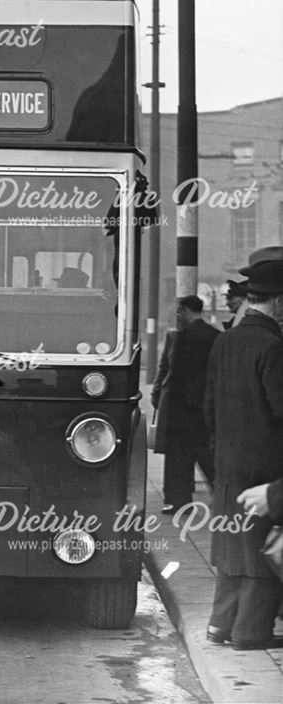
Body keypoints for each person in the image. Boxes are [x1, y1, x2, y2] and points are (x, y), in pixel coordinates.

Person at [204, 259, 283, 650]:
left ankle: (220, 625)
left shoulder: (225, 341)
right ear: (279, 303)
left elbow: (209, 407)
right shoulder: (273, 346)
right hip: (266, 467)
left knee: (232, 544)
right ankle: (251, 631)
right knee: (261, 548)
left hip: (228, 463)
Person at [151, 296, 219, 513]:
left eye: (179, 312)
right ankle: (222, 495)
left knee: (178, 458)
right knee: (205, 455)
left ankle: (178, 501)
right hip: (200, 407)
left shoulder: (179, 338)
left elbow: (168, 371)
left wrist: (157, 394)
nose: (178, 317)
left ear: (187, 310)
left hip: (180, 407)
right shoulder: (215, 336)